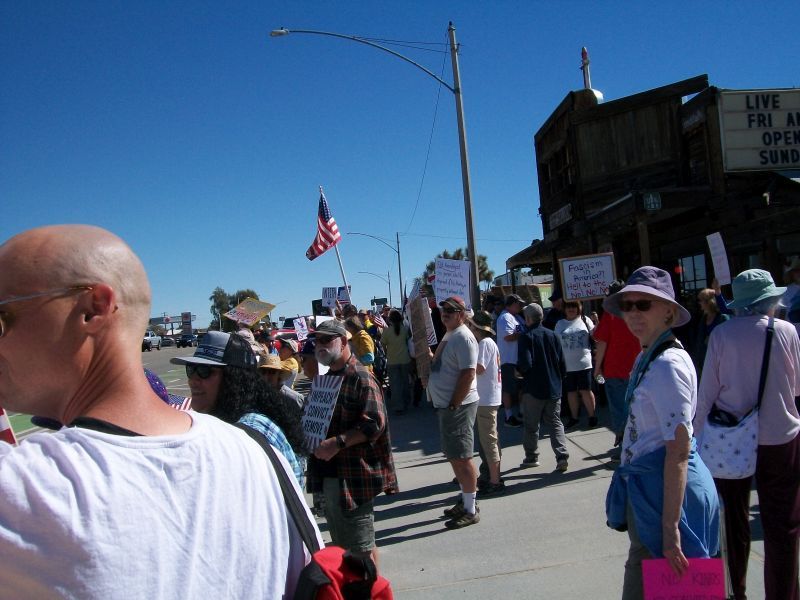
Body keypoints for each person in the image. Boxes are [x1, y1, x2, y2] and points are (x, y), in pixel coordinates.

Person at [0, 225, 320, 598]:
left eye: (3, 316)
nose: (196, 380)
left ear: (93, 310)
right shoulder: (255, 455)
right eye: (192, 370)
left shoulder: (24, 491)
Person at [604, 266, 719, 600]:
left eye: (645, 304)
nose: (634, 313)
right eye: (628, 305)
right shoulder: (649, 354)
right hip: (649, 490)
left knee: (666, 586)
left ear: (669, 310)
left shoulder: (668, 364)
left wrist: (670, 529)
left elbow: (679, 451)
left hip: (666, 495)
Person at [694, 269, 800, 600]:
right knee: (782, 526)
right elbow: (796, 386)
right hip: (779, 435)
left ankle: (736, 590)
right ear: (770, 300)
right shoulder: (786, 331)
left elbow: (707, 391)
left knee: (733, 519)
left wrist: (692, 438)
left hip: (730, 438)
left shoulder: (722, 335)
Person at [305, 319, 398, 568]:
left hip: (352, 479)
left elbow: (374, 424)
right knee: (343, 546)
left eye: (327, 340)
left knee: (361, 548)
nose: (320, 345)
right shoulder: (325, 380)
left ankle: (372, 591)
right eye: (317, 341)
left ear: (344, 341)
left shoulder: (360, 377)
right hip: (329, 477)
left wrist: (337, 443)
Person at [171, 330, 307, 486]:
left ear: (233, 378)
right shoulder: (231, 422)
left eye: (204, 371)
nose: (193, 380)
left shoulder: (249, 432)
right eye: (191, 369)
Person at [425, 296, 481, 529]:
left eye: (450, 310)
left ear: (461, 313)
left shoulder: (464, 337)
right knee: (454, 456)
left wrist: (453, 404)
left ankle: (470, 509)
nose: (444, 313)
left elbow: (468, 374)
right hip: (447, 406)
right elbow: (447, 366)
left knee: (462, 457)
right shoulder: (450, 335)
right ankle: (465, 499)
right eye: (442, 309)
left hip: (457, 406)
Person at [517, 303, 569, 471]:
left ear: (528, 318)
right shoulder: (553, 335)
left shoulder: (526, 337)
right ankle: (562, 456)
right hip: (553, 385)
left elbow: (525, 363)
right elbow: (562, 363)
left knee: (531, 425)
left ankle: (531, 456)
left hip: (533, 388)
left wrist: (519, 372)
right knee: (555, 422)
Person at [593, 279, 641, 454]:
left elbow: (602, 342)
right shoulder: (638, 311)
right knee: (636, 410)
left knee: (619, 411)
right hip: (637, 368)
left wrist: (597, 367)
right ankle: (635, 445)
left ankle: (625, 446)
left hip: (614, 369)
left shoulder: (610, 314)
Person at [467, 310, 504, 496]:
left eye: (472, 326)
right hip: (490, 397)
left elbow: (479, 369)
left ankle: (495, 480)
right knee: (490, 439)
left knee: (489, 441)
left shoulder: (484, 344)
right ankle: (492, 475)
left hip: (486, 399)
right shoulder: (489, 343)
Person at [555, 300, 598, 429]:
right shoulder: (560, 323)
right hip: (567, 366)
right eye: (568, 306)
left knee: (586, 390)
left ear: (579, 307)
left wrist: (596, 322)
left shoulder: (585, 320)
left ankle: (592, 416)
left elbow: (596, 336)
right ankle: (574, 418)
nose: (571, 309)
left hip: (584, 364)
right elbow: (555, 343)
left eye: (574, 306)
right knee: (571, 392)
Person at [496, 294, 525, 427]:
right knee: (508, 389)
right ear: (511, 304)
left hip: (516, 359)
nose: (520, 307)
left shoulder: (516, 317)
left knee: (520, 388)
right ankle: (509, 416)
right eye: (518, 304)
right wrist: (522, 334)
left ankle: (521, 412)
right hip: (508, 359)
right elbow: (508, 337)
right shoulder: (505, 317)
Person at [690, 288, 729, 377]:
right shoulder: (703, 319)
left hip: (720, 362)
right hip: (704, 361)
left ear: (708, 302)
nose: (699, 303)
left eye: (701, 300)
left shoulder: (723, 318)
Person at [381, 309, 412, 414]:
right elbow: (408, 341)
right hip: (405, 360)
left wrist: (387, 352)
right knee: (405, 383)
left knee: (395, 385)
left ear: (390, 320)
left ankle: (399, 406)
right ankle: (406, 402)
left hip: (392, 361)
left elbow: (383, 345)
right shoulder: (405, 329)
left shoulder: (387, 331)